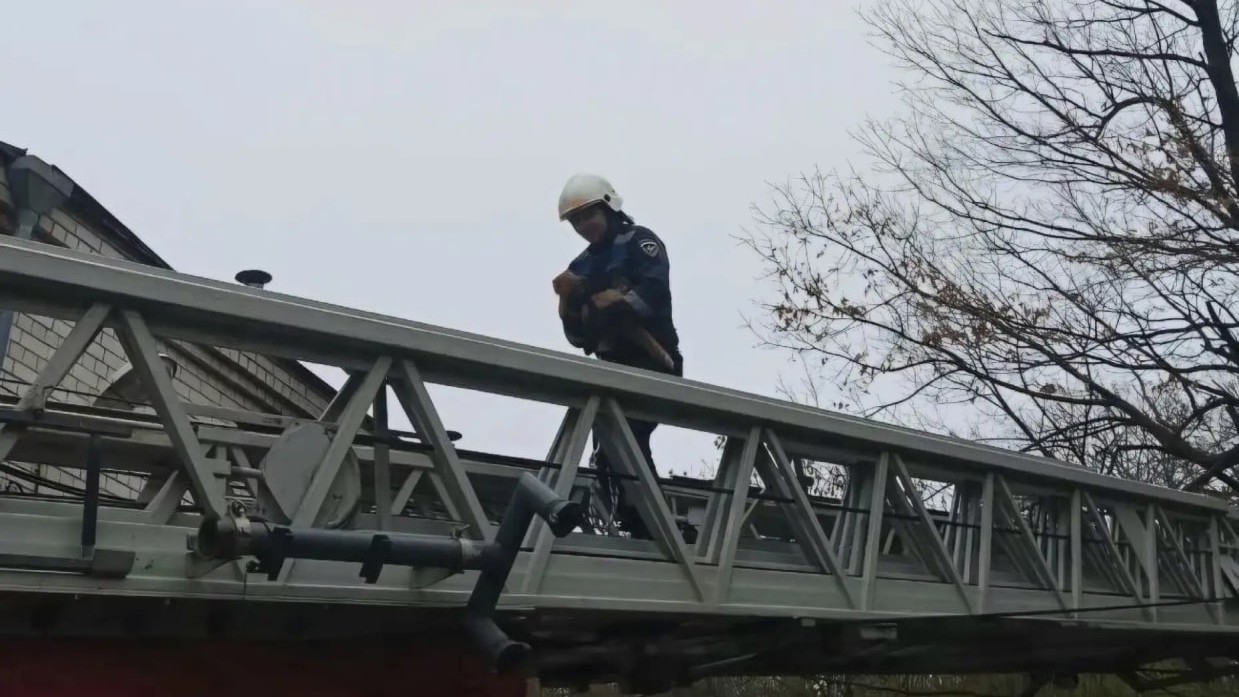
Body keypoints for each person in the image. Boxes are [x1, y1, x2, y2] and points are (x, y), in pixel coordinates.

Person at [551, 173, 682, 540]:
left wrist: (612, 302)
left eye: (588, 216)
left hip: (653, 361)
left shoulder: (639, 242)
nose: (583, 226)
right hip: (610, 368)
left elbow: (652, 296)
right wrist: (567, 302)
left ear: (608, 209)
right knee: (606, 446)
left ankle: (651, 522)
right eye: (576, 221)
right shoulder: (581, 265)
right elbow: (578, 337)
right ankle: (631, 519)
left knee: (631, 436)